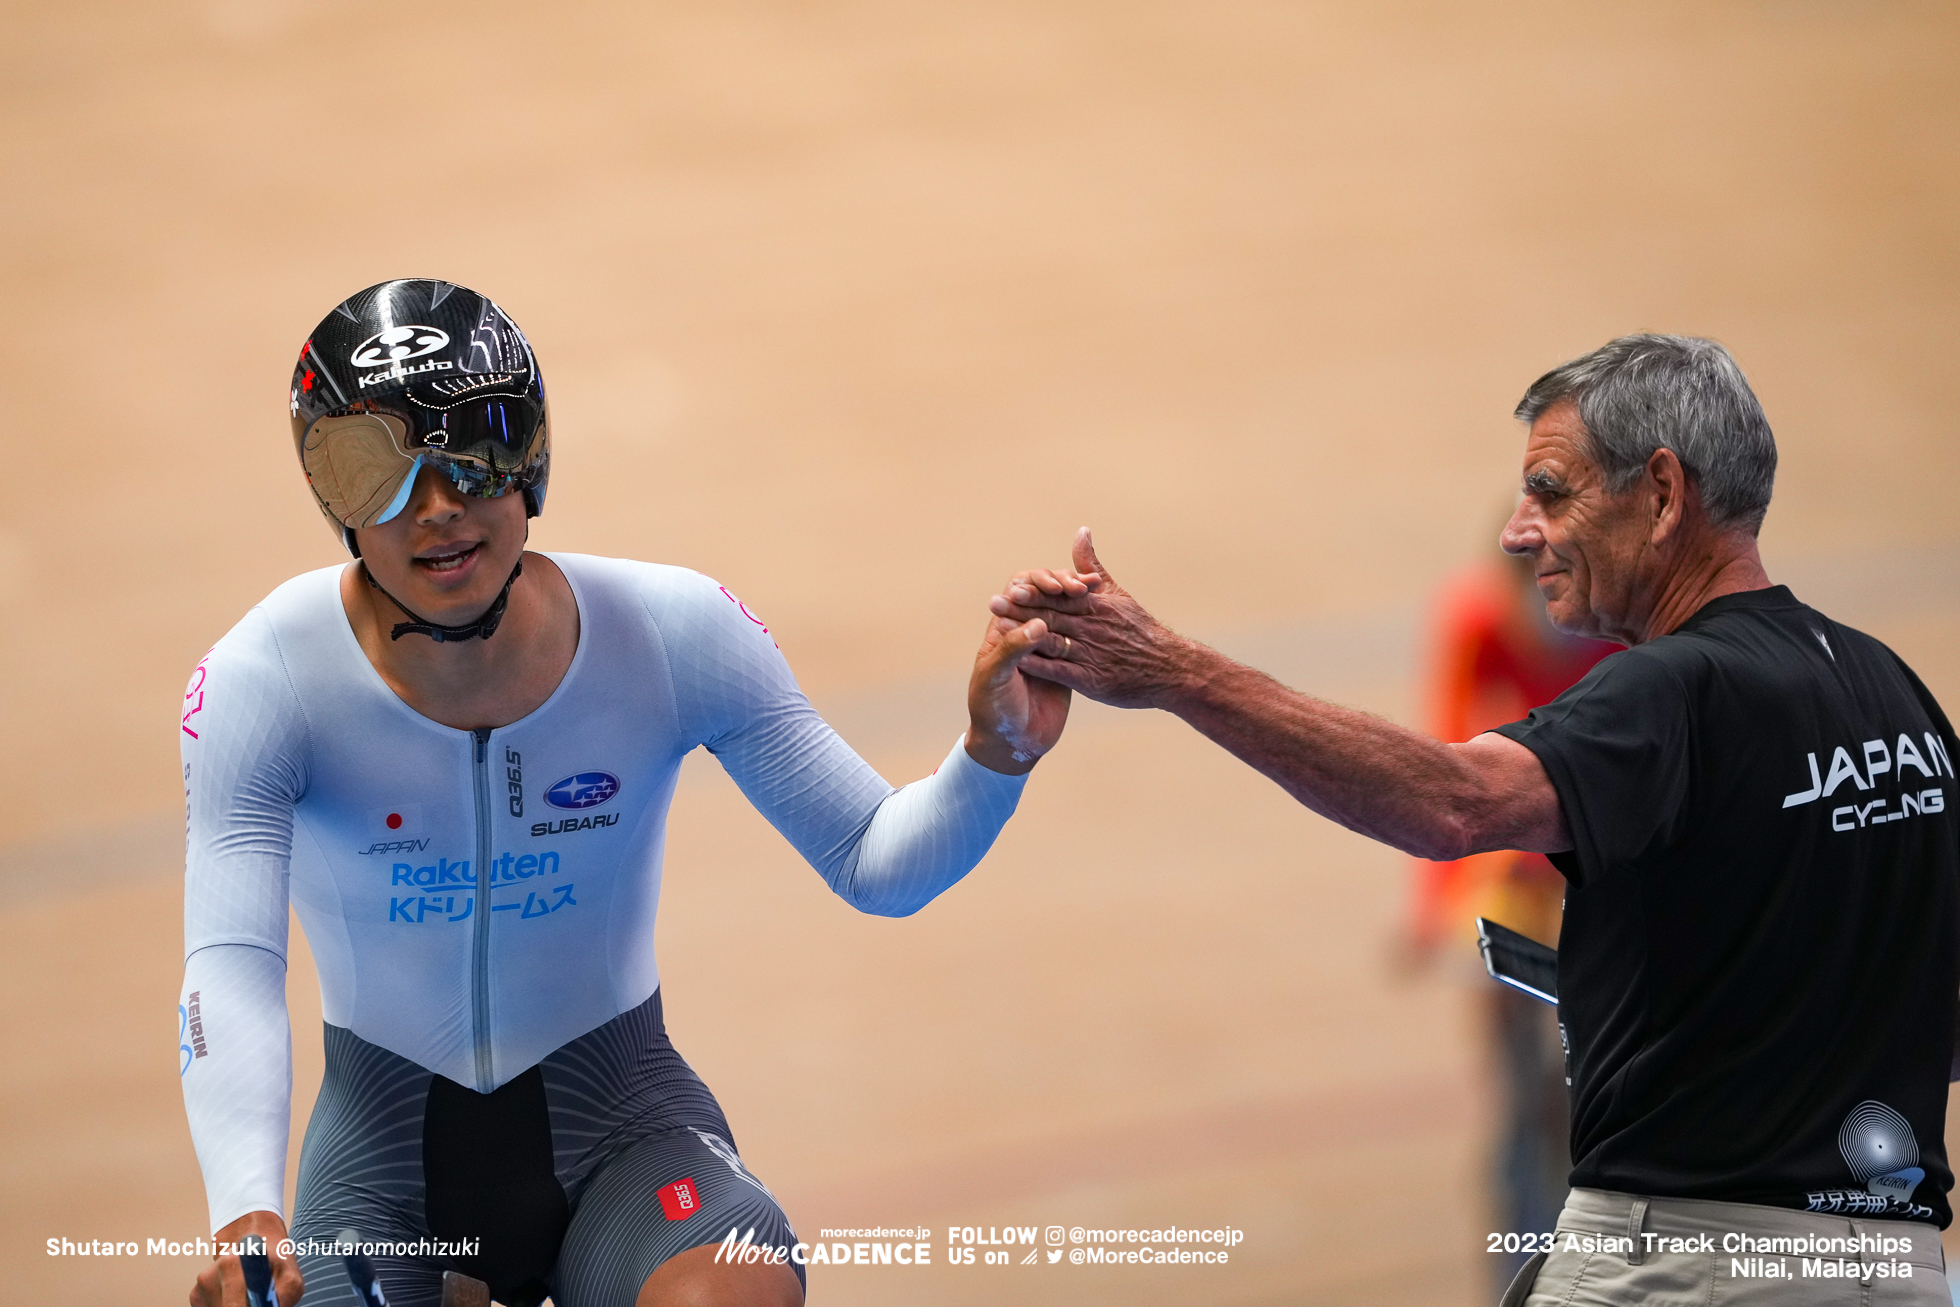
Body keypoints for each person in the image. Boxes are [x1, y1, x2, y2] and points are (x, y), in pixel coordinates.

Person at [991, 334, 1959, 1304]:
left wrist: (1176, 671)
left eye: (1551, 489)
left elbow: (1452, 801)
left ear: (1662, 495)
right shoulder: (1891, 687)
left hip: (1688, 1266)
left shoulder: (1670, 691)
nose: (1517, 529)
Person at [179, 279, 1071, 1307]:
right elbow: (230, 962)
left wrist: (993, 753)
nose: (434, 506)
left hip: (622, 1133)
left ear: (533, 458)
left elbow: (876, 859)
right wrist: (245, 1204)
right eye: (375, 469)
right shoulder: (264, 680)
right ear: (328, 496)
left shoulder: (670, 632)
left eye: (472, 450)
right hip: (387, 1182)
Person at [1405, 549, 1614, 1295]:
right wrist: (1432, 904)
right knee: (1518, 1084)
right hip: (1520, 859)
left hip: (1594, 857)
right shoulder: (1480, 616)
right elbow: (1444, 756)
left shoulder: (1621, 619)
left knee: (1572, 1088)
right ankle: (1520, 1250)